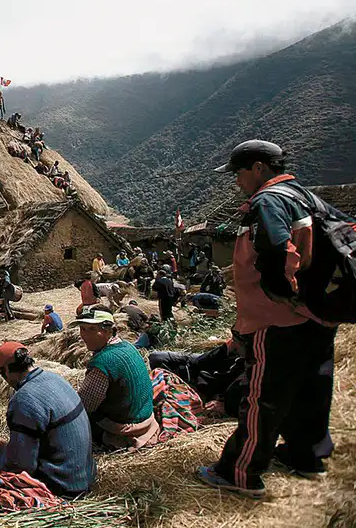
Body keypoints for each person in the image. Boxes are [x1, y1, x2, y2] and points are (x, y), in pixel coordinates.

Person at [197, 140, 352, 498]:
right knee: (312, 388)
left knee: (263, 397)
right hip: (315, 318)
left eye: (239, 173)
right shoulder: (305, 197)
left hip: (277, 321)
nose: (237, 182)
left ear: (258, 167)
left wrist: (286, 297)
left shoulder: (269, 201)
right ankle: (306, 456)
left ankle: (240, 471)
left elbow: (279, 252)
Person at [0, 342, 95, 496]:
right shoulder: (55, 379)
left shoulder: (24, 400)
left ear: (6, 371)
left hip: (62, 485)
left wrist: (4, 455)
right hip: (85, 475)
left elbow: (22, 465)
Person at [72, 311, 159, 450]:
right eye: (83, 329)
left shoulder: (103, 364)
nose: (85, 335)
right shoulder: (127, 346)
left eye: (93, 329)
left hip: (126, 426)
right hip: (146, 417)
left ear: (109, 331)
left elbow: (84, 406)